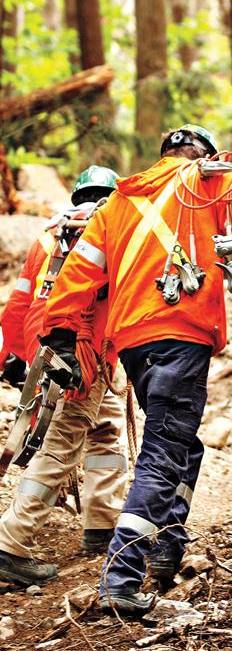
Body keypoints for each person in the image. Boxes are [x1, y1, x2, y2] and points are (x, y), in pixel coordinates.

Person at [41, 124, 232, 615]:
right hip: (182, 331)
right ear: (205, 154)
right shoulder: (208, 182)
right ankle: (122, 577)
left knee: (180, 443)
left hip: (133, 341)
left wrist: (61, 333)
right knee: (163, 452)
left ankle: (165, 550)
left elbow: (79, 270)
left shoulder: (119, 202)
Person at [0, 166, 128, 587]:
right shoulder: (111, 234)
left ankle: (101, 524)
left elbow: (20, 300)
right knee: (62, 443)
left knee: (106, 427)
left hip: (49, 349)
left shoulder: (48, 236)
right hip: (85, 351)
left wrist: (15, 356)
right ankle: (10, 544)